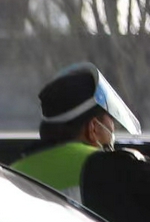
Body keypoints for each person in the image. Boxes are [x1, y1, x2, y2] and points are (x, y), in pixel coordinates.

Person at [14, 63, 140, 206]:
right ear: (93, 129)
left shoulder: (14, 171)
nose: (113, 129)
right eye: (110, 119)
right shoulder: (109, 168)